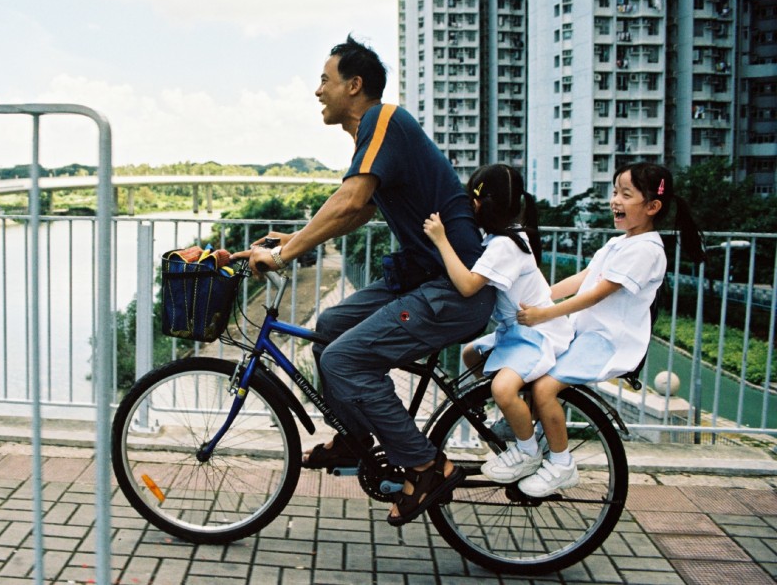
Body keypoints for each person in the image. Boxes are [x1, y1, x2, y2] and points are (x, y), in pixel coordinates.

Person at [235, 35, 494, 527]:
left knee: (346, 359)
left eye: (324, 81)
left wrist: (286, 253)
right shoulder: (372, 137)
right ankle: (357, 439)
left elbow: (351, 200)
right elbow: (360, 211)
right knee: (328, 327)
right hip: (422, 280)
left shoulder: (384, 120)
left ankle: (426, 465)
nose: (317, 91)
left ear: (354, 86)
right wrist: (299, 238)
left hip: (454, 289)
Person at [516, 162, 706, 496]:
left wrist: (543, 315)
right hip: (585, 332)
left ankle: (561, 465)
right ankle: (523, 431)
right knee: (527, 364)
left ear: (652, 207)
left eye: (625, 194)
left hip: (607, 341)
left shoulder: (646, 250)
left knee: (545, 387)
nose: (615, 200)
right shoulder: (621, 243)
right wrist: (537, 299)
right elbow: (584, 279)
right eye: (615, 192)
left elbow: (594, 295)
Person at [423, 164, 574, 484]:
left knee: (502, 388)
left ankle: (527, 452)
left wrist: (441, 240)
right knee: (470, 354)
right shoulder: (506, 236)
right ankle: (514, 415)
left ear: (478, 204)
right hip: (517, 331)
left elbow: (467, 285)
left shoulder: (504, 245)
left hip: (537, 334)